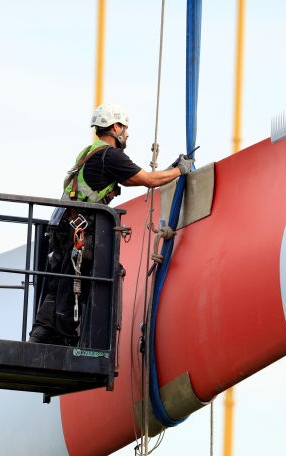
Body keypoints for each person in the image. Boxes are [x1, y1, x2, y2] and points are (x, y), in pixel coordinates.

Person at [28, 103, 194, 345]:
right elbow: (147, 180)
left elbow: (131, 179)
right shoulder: (111, 155)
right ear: (115, 127)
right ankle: (66, 341)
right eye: (125, 128)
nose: (127, 134)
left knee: (60, 284)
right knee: (81, 283)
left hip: (64, 226)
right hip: (79, 231)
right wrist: (180, 170)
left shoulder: (90, 152)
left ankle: (40, 337)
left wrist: (169, 170)